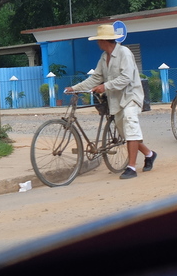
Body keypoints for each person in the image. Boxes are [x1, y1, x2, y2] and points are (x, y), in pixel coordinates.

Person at [64, 24, 155, 180]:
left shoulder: (124, 53)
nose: (97, 43)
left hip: (130, 96)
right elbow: (96, 78)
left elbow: (126, 78)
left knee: (130, 126)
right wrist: (75, 88)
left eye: (98, 40)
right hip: (116, 98)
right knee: (126, 133)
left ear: (104, 40)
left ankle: (131, 167)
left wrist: (105, 86)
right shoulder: (104, 57)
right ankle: (149, 154)